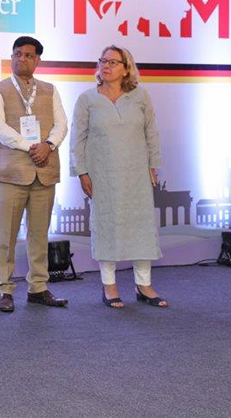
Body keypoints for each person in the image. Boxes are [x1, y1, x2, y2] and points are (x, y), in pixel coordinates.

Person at [69, 45, 167, 309]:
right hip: (103, 174)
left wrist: (153, 165)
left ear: (126, 68)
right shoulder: (87, 99)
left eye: (113, 62)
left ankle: (143, 285)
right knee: (107, 226)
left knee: (141, 227)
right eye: (103, 61)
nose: (106, 65)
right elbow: (77, 139)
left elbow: (151, 132)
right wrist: (81, 172)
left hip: (137, 173)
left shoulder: (140, 96)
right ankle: (109, 286)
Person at [0, 36, 68, 312]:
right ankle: (4, 289)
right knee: (5, 236)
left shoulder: (50, 90)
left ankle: (38, 288)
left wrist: (49, 145)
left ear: (37, 60)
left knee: (39, 235)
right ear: (12, 58)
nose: (22, 59)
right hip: (10, 173)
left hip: (44, 172)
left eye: (28, 55)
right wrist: (31, 146)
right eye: (17, 54)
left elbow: (61, 124)